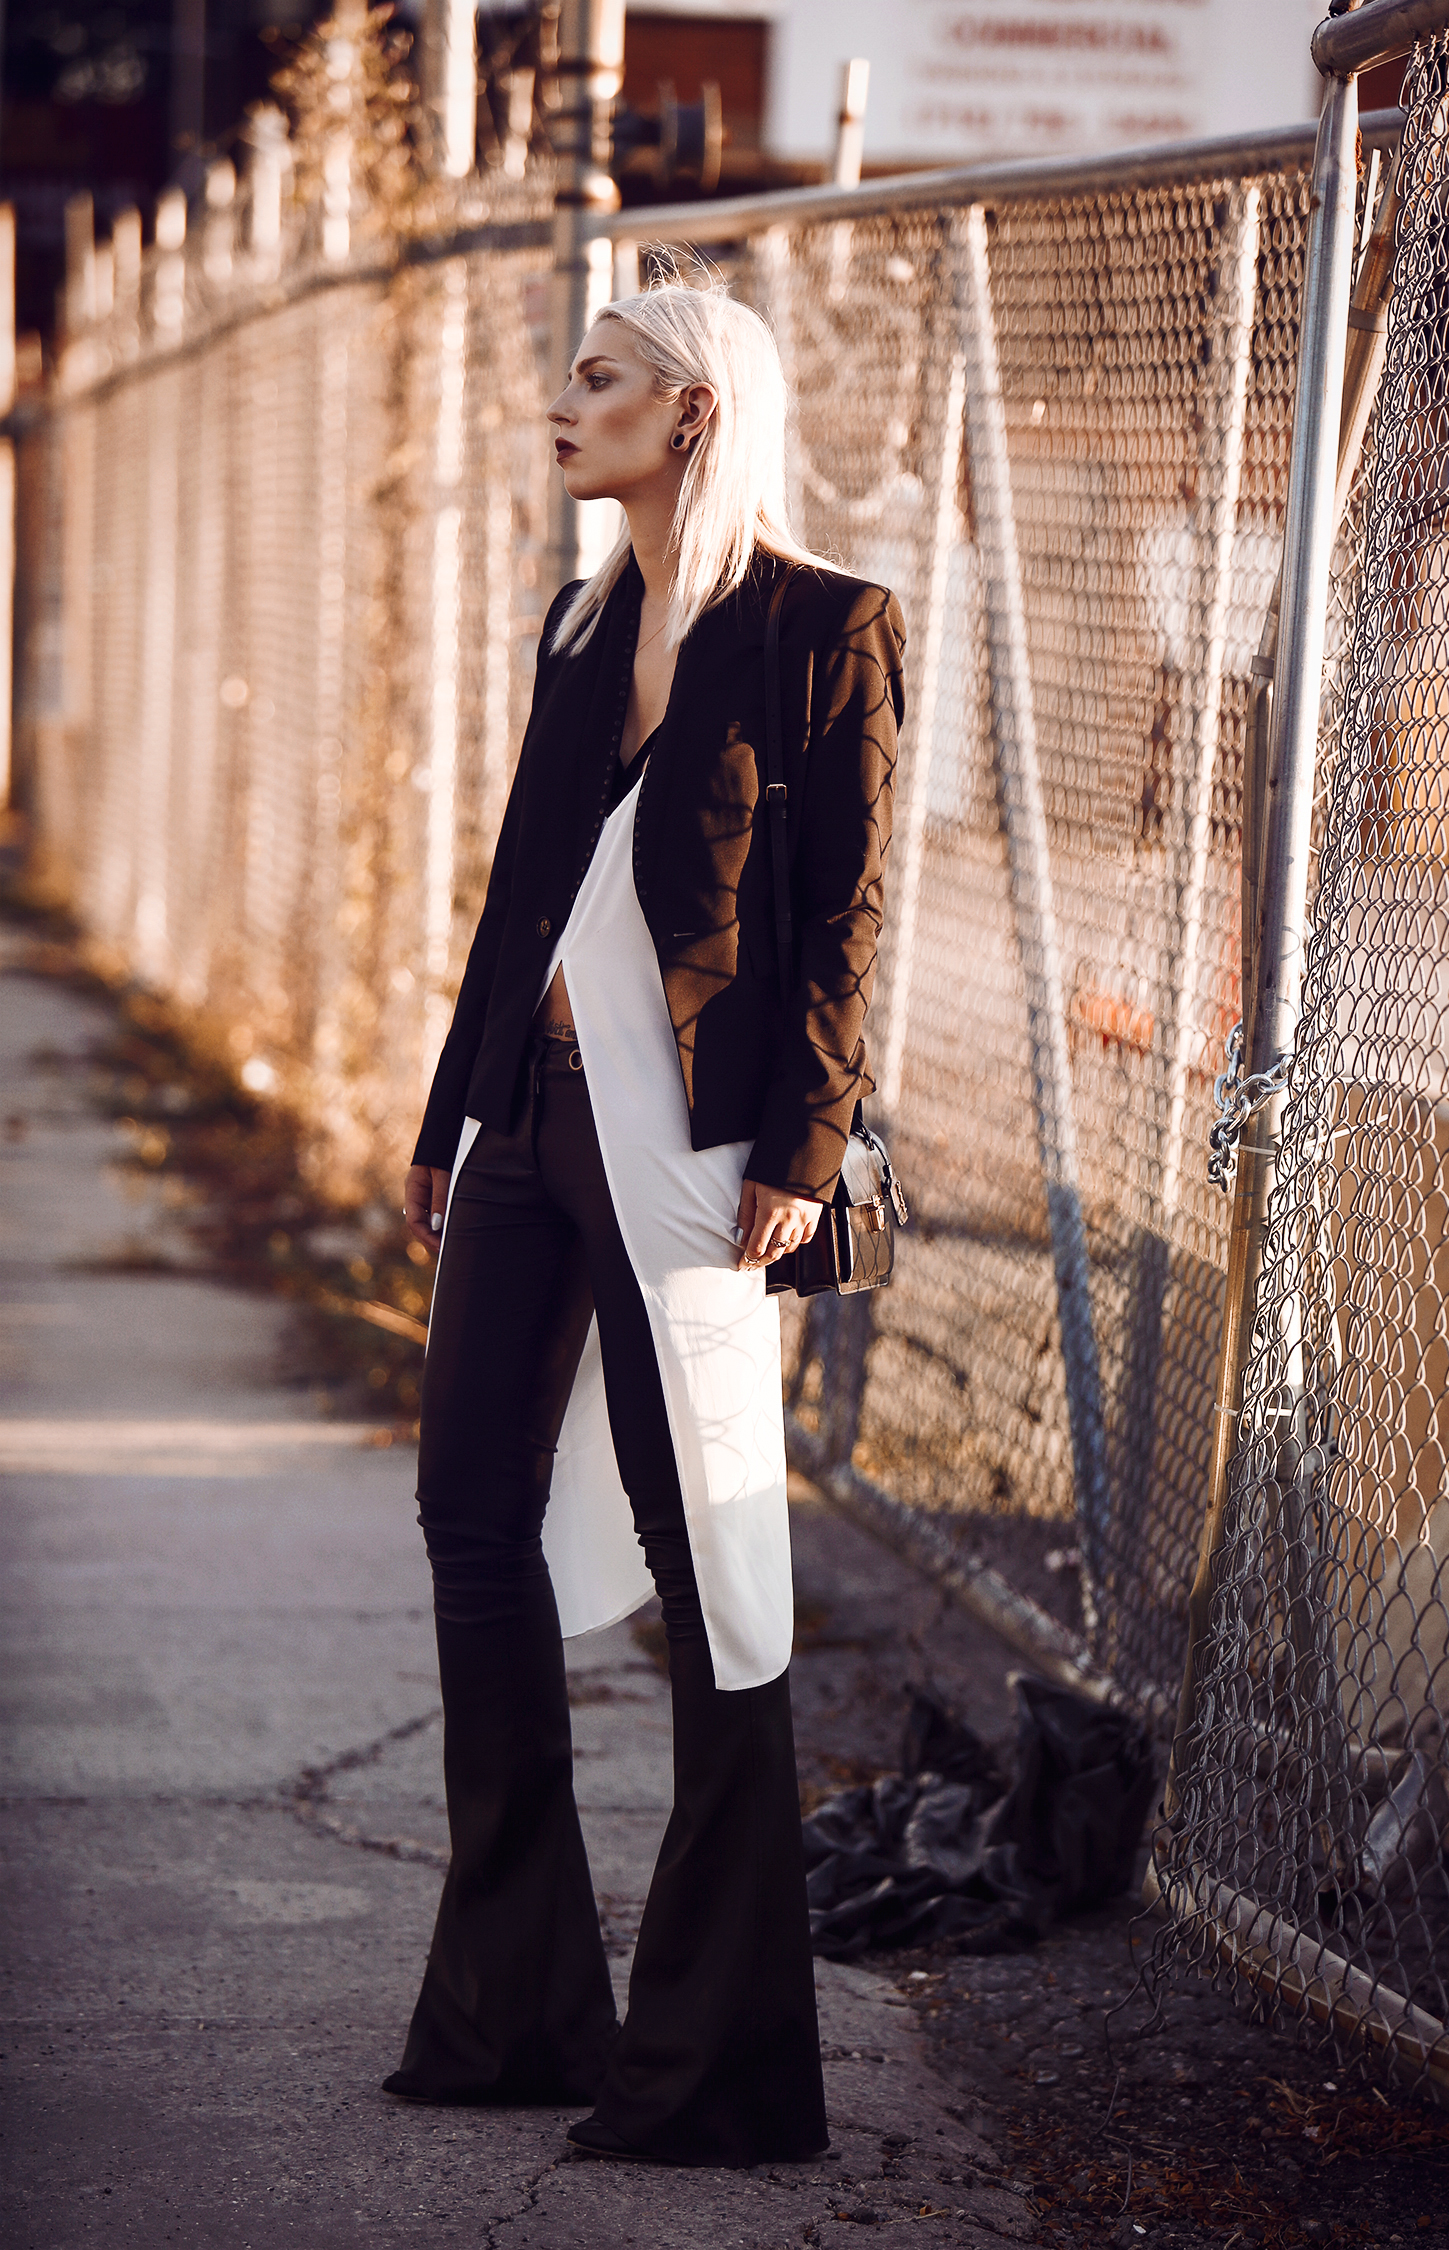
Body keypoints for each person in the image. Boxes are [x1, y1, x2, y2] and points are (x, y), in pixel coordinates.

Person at [384, 275, 905, 2168]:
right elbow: (524, 880)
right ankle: (517, 2001)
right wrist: (452, 1107)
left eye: (597, 374)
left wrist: (804, 1146)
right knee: (468, 1514)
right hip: (528, 1120)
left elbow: (843, 923)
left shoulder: (825, 629)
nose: (561, 397)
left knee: (713, 1571)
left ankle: (721, 2059)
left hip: (690, 1149)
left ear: (691, 411)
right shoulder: (579, 622)